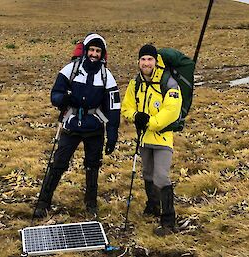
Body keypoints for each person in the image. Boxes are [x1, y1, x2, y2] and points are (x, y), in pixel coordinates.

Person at [34, 33, 121, 218]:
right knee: (58, 163)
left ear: (102, 54)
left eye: (98, 51)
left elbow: (114, 108)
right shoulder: (70, 69)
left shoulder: (107, 77)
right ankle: (43, 202)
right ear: (85, 50)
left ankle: (91, 204)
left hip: (94, 127)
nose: (94, 54)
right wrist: (62, 99)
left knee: (92, 166)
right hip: (71, 125)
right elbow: (55, 94)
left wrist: (112, 135)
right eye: (91, 49)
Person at [121, 44, 182, 236]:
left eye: (150, 59)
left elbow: (172, 110)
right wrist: (136, 116)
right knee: (147, 174)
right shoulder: (135, 83)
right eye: (143, 59)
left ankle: (168, 220)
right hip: (144, 139)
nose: (146, 63)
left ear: (156, 61)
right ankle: (152, 206)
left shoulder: (168, 83)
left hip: (163, 138)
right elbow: (126, 108)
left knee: (161, 177)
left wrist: (150, 122)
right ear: (138, 62)